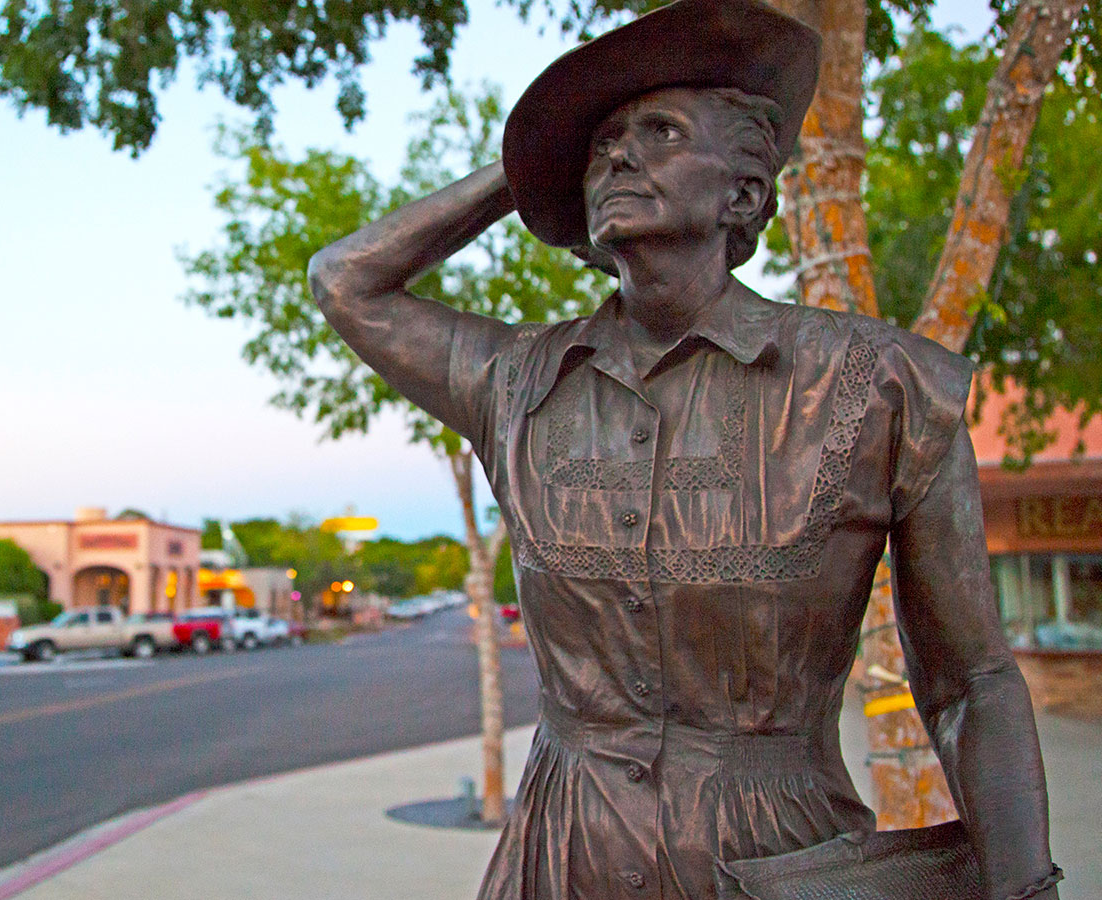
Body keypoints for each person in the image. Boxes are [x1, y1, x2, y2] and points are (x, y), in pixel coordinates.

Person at [306, 0, 1062, 897]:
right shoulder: (514, 382)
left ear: (743, 193)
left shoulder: (883, 385)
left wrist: (1025, 888)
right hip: (562, 853)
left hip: (773, 856)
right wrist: (524, 169)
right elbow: (347, 282)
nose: (619, 154)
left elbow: (970, 680)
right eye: (601, 146)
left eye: (659, 132)